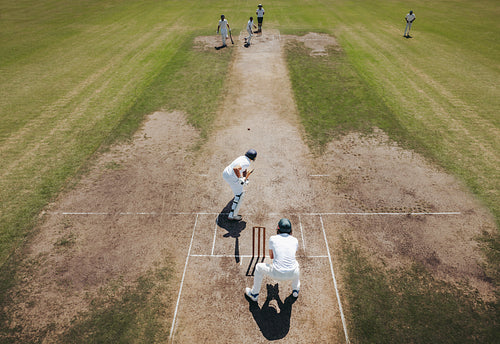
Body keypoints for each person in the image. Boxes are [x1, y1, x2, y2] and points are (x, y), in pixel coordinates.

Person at [245, 218, 300, 302]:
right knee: (296, 264)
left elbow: (271, 257)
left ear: (278, 229)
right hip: (293, 273)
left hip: (276, 273)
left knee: (258, 267)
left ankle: (254, 294)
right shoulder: (295, 240)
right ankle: (295, 290)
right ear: (290, 230)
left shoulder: (273, 239)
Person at [222, 149, 257, 221]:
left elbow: (244, 170)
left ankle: (236, 194)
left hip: (225, 173)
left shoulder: (242, 158)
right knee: (239, 195)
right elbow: (236, 168)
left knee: (238, 188)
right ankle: (232, 215)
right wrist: (240, 178)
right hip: (231, 177)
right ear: (254, 158)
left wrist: (244, 178)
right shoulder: (247, 162)